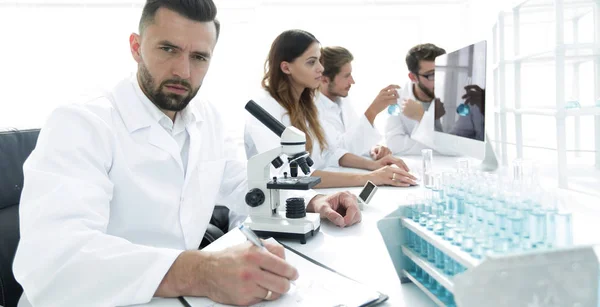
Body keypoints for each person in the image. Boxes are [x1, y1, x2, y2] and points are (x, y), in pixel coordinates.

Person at [12, 1, 361, 306]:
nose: (183, 71)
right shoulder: (82, 121)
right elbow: (52, 262)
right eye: (168, 49)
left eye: (198, 57)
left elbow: (242, 187)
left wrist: (310, 201)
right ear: (136, 47)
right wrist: (200, 272)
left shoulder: (206, 117)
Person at [244, 30, 417, 189]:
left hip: (305, 197)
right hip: (272, 207)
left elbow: (329, 153)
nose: (320, 68)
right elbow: (291, 176)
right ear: (286, 67)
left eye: (319, 60)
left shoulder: (305, 105)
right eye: (311, 62)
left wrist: (374, 166)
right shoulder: (264, 109)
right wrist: (370, 177)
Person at [317, 46, 399, 161]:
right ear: (324, 79)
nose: (352, 81)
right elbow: (340, 152)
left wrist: (374, 149)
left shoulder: (342, 99)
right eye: (346, 76)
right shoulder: (313, 109)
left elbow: (354, 136)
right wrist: (372, 111)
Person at [384, 43, 448, 155]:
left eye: (442, 72)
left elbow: (460, 146)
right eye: (431, 75)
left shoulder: (455, 95)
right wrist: (442, 148)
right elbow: (394, 144)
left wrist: (421, 117)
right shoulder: (396, 99)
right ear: (413, 77)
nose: (439, 80)